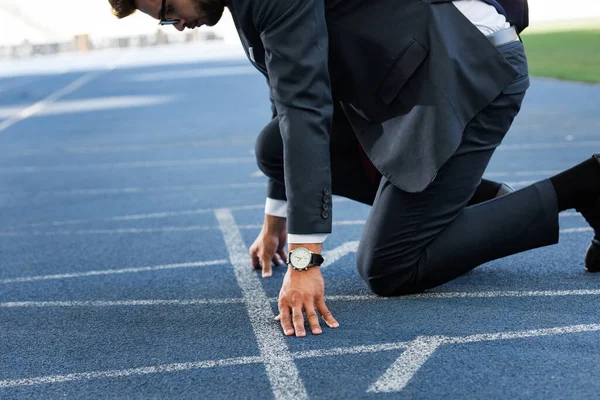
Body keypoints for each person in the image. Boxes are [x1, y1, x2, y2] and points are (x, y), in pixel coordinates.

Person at [108, 0, 600, 339]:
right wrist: (276, 217)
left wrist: (305, 259)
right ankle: (484, 205)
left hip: (467, 66)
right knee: (271, 147)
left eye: (170, 11)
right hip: (413, 75)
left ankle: (587, 185)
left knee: (390, 268)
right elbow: (287, 98)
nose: (177, 24)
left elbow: (304, 112)